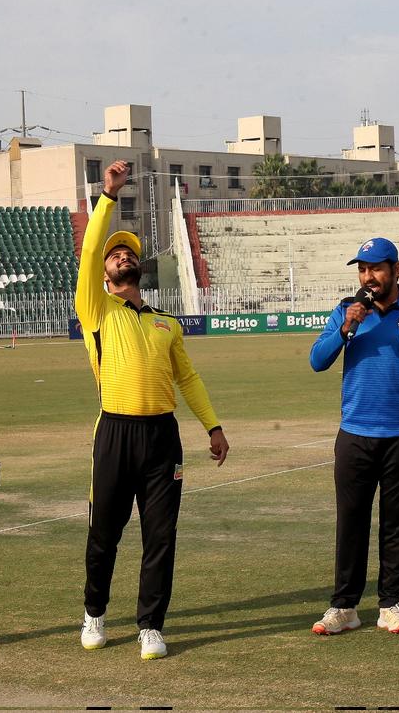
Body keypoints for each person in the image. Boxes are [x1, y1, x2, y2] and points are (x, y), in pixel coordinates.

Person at [75, 160, 230, 660]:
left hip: (163, 438)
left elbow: (187, 377)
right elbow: (91, 246)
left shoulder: (166, 323)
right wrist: (108, 196)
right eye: (114, 253)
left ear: (139, 268)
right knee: (104, 534)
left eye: (129, 253)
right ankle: (95, 613)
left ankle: (150, 626)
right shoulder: (95, 310)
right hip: (115, 433)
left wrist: (214, 426)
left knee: (160, 537)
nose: (121, 256)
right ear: (104, 268)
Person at [309, 237, 399, 636]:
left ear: (396, 270)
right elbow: (317, 361)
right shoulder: (345, 311)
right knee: (350, 522)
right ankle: (344, 606)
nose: (368, 277)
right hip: (355, 435)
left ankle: (391, 603)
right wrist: (346, 327)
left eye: (376, 269)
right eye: (362, 270)